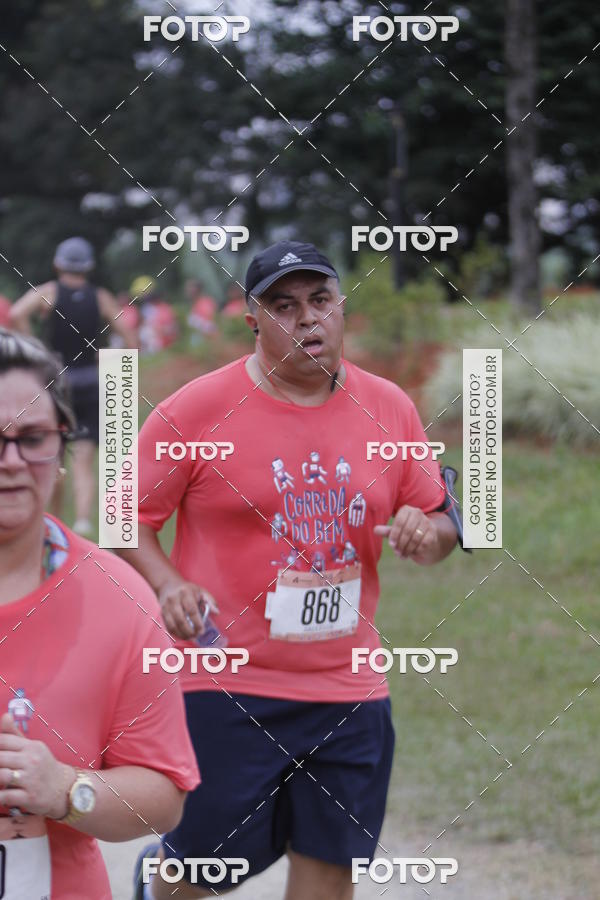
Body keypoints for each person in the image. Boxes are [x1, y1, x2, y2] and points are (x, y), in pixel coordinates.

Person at [123, 241, 459, 900]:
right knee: (203, 869)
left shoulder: (388, 408)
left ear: (340, 308)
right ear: (253, 320)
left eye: (320, 301)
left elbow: (443, 520)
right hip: (223, 682)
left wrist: (431, 533)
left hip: (348, 686)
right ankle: (157, 875)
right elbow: (122, 518)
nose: (307, 320)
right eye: (284, 307)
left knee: (329, 873)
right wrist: (168, 584)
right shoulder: (196, 410)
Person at [0, 327, 199, 899]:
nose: (12, 461)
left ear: (61, 454)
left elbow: (164, 796)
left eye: (33, 437)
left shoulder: (119, 599)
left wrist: (63, 788)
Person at [9, 237, 136, 535]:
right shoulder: (101, 297)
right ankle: (81, 521)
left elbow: (16, 314)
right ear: (88, 267)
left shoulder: (50, 292)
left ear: (58, 264)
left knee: (55, 453)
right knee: (84, 457)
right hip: (92, 380)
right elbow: (131, 340)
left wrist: (37, 349)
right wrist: (109, 361)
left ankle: (53, 519)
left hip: (58, 379)